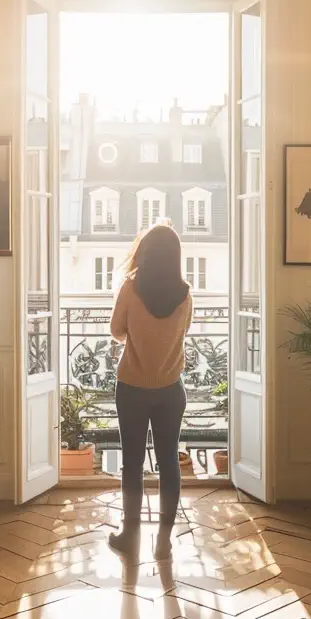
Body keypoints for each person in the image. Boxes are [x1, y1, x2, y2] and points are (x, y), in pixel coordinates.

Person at [107, 223, 192, 561]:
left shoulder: (131, 289)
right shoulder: (185, 294)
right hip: (171, 388)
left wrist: (136, 334)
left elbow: (116, 330)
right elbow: (183, 331)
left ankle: (131, 536)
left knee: (132, 462)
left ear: (144, 253)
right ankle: (165, 541)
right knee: (169, 461)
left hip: (133, 388)